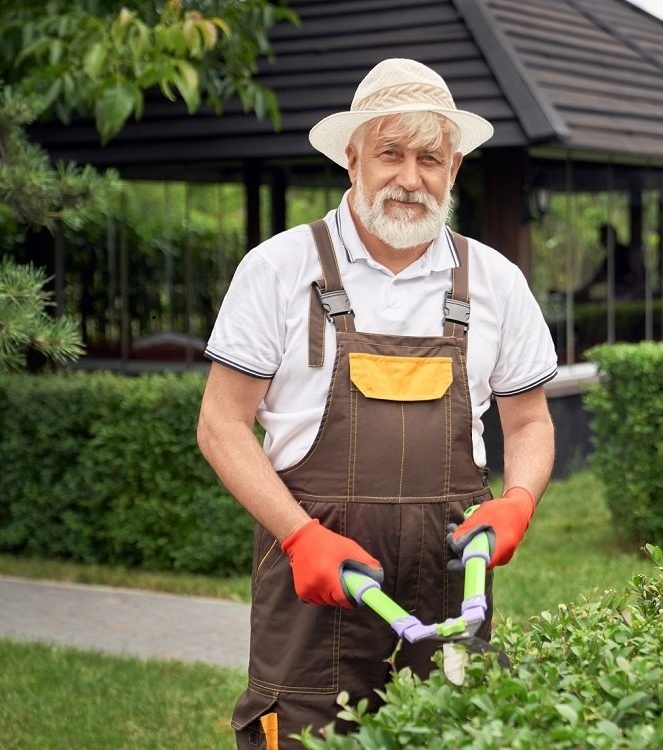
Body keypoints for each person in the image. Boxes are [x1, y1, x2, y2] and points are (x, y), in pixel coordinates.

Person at [196, 58, 557, 749]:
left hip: (450, 585)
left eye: (430, 158)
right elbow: (221, 425)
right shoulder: (276, 270)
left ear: (453, 170)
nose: (409, 177)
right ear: (352, 158)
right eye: (390, 152)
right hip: (312, 598)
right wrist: (299, 536)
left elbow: (531, 419)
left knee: (450, 735)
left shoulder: (497, 283)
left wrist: (518, 500)